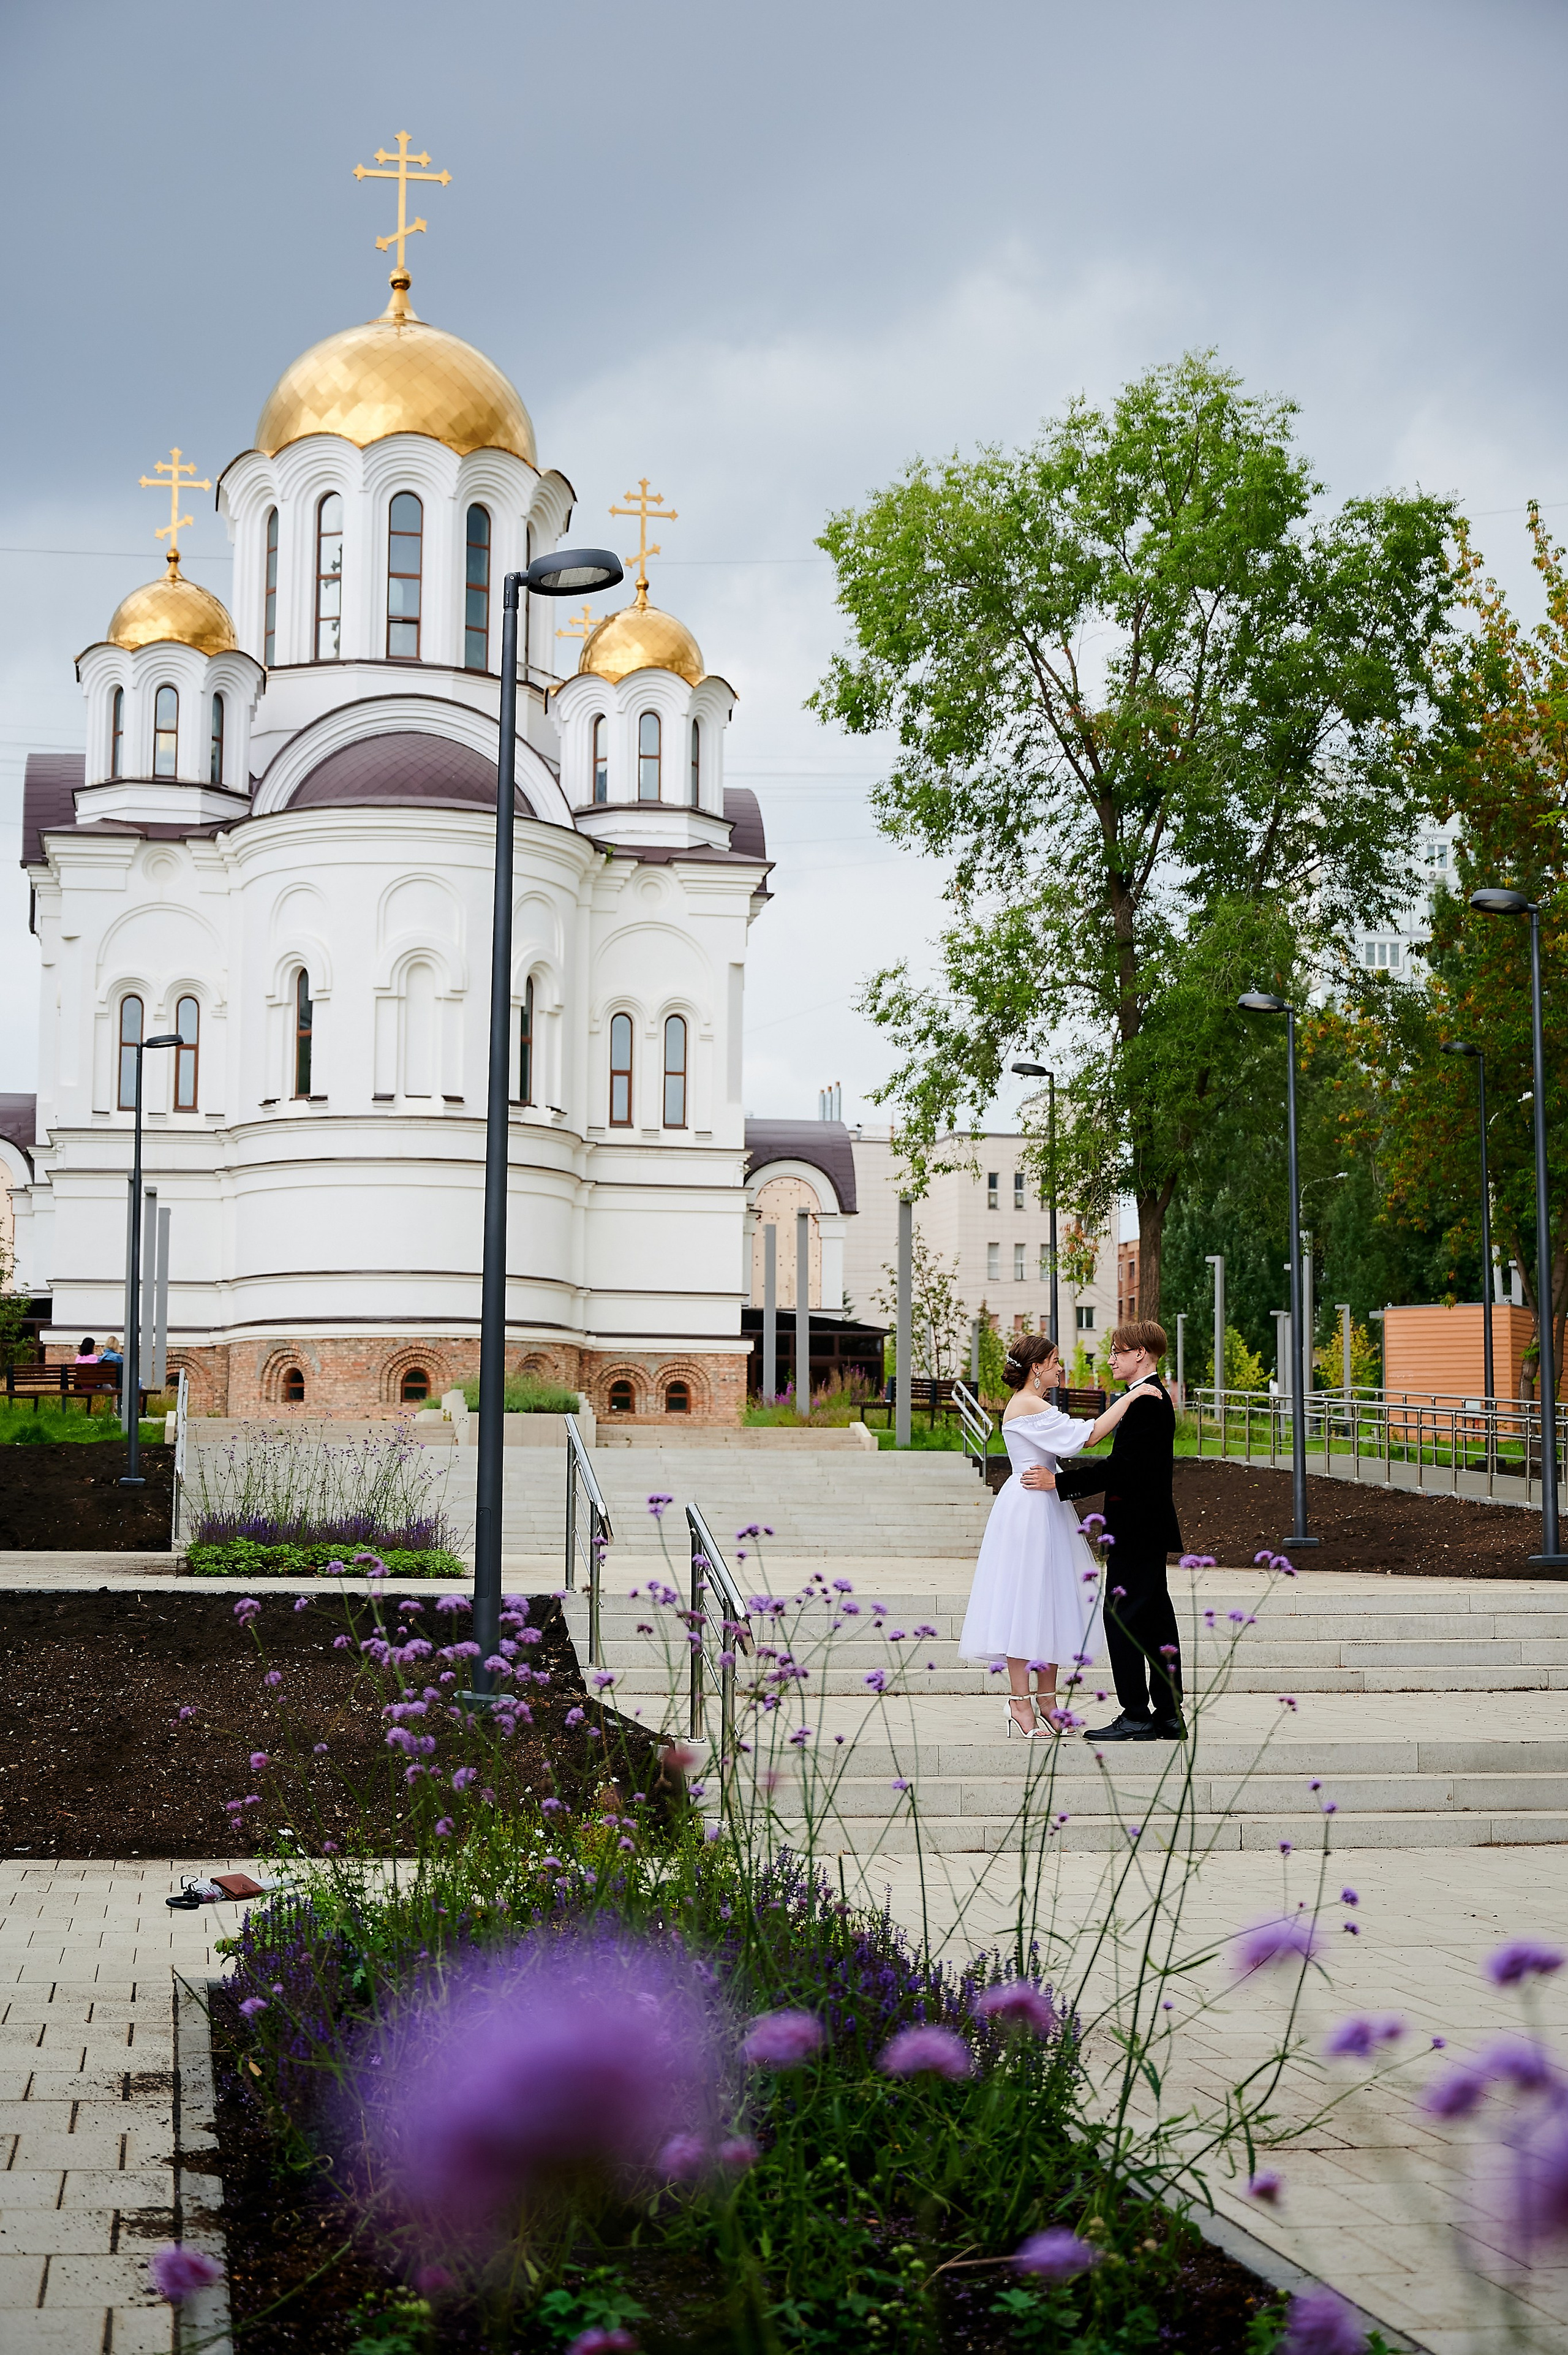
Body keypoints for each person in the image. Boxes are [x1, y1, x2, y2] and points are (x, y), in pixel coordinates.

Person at [957, 1332, 1155, 1737]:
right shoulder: (1028, 1404)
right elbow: (1087, 1436)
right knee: (1027, 1601)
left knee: (1049, 1601)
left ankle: (1047, 1700)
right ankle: (1020, 1703)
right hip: (1030, 1509)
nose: (1060, 1368)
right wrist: (1131, 1398)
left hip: (1045, 1502)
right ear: (1037, 1367)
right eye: (1055, 1361)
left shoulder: (1036, 1403)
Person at [1043, 1318, 1185, 1742]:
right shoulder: (1153, 1398)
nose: (1111, 1359)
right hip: (1148, 1527)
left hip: (1136, 1530)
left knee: (1120, 1618)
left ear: (1140, 1353)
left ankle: (1138, 1714)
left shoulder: (1146, 1402)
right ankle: (1169, 1715)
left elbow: (1123, 1468)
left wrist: (1061, 1483)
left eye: (1117, 1352)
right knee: (1157, 1621)